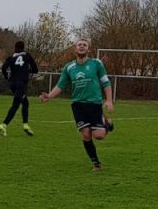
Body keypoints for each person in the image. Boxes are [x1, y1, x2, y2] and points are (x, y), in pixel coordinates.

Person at [41, 39, 116, 171]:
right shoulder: (69, 67)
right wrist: (50, 96)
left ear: (88, 49)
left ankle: (105, 122)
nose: (81, 46)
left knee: (99, 136)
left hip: (94, 104)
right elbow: (61, 85)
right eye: (79, 45)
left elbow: (105, 82)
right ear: (75, 49)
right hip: (78, 105)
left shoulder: (96, 63)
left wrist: (109, 100)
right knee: (86, 135)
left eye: (84, 45)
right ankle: (96, 164)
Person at [0, 40, 39, 137]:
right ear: (23, 47)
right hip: (21, 84)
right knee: (16, 105)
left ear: (15, 48)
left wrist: (7, 77)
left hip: (12, 84)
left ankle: (26, 125)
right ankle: (4, 124)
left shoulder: (11, 57)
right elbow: (36, 70)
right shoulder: (27, 55)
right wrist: (28, 70)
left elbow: (3, 68)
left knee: (25, 103)